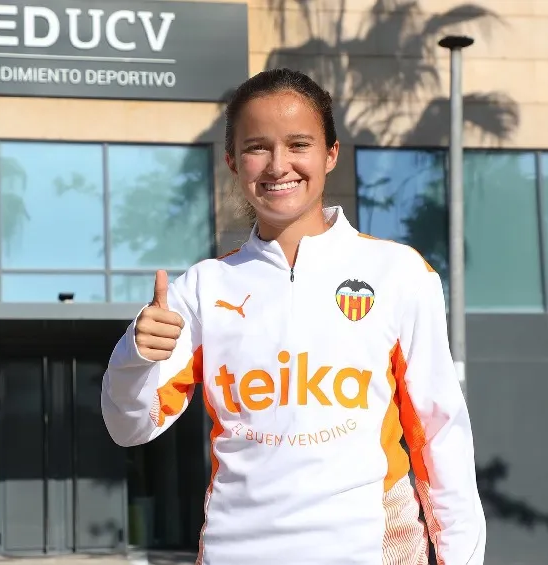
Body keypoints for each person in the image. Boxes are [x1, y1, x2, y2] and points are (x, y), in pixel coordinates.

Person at [100, 68, 486, 565]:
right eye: (257, 147)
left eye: (299, 144)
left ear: (330, 154)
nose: (278, 165)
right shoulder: (201, 288)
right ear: (233, 162)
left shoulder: (398, 273)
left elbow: (440, 434)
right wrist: (134, 355)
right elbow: (128, 427)